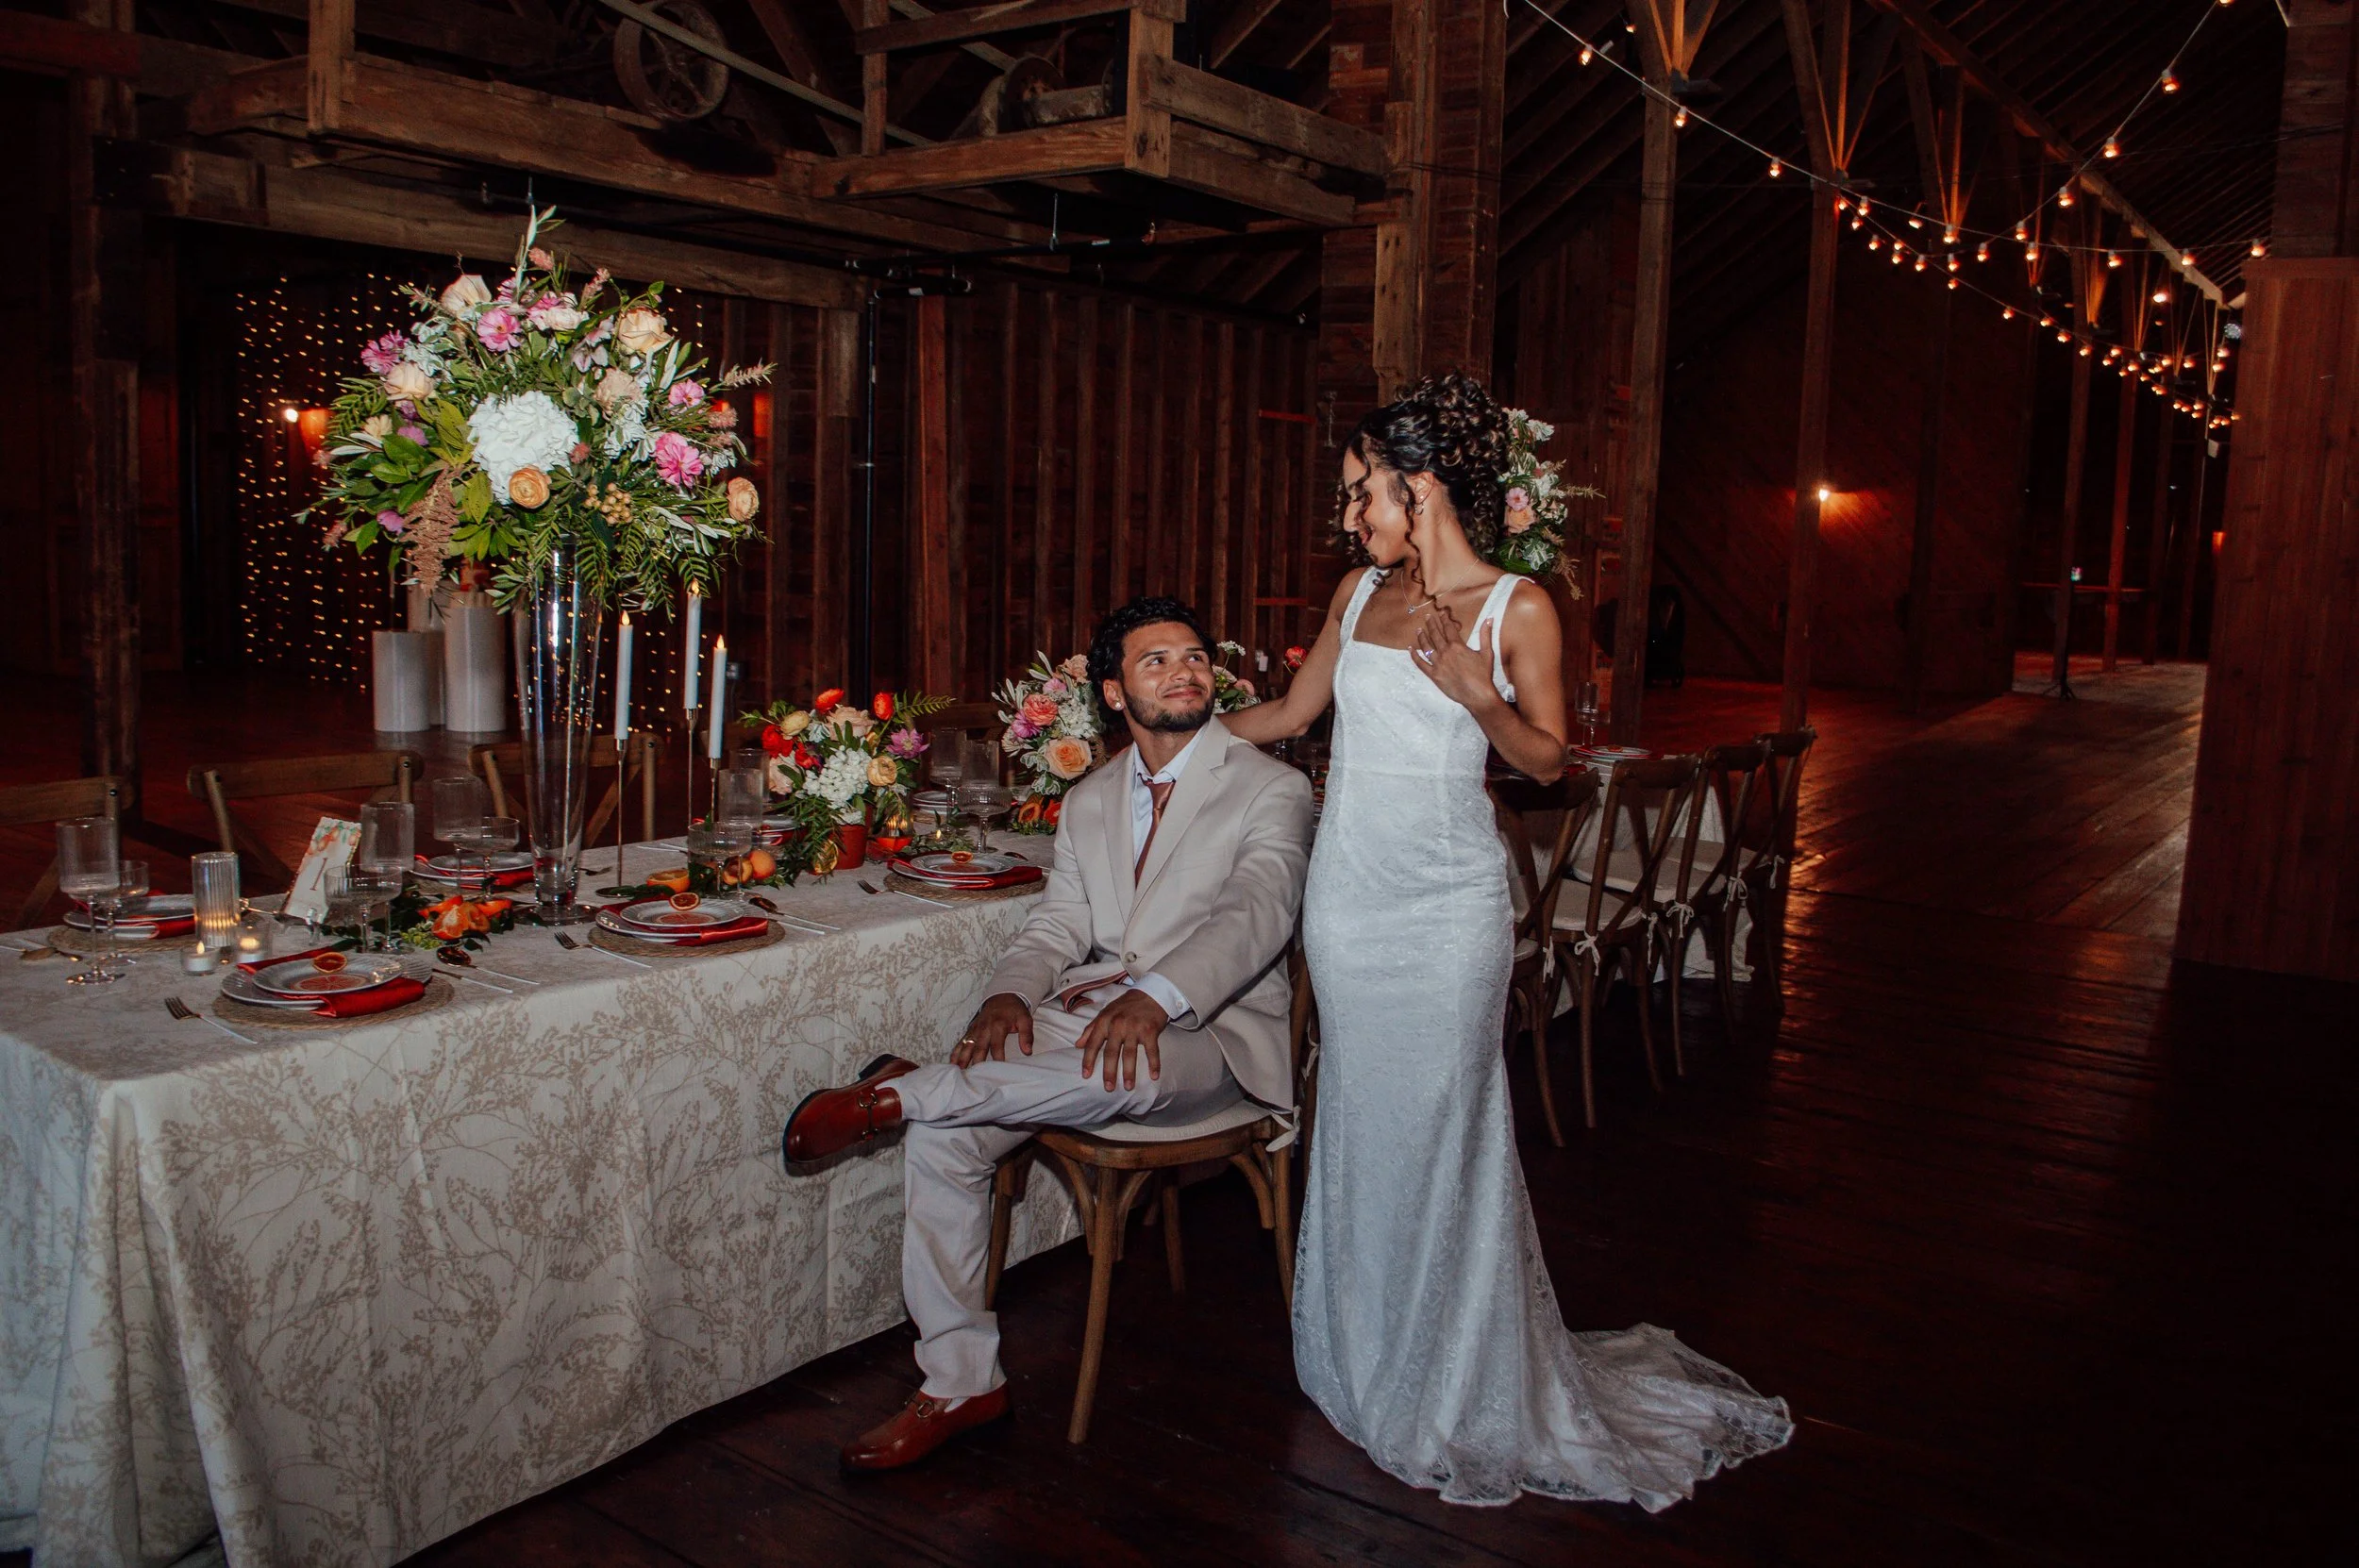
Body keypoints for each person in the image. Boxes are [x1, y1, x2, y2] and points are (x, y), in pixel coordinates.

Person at [1224, 373, 1793, 1509]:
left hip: (1445, 908)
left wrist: (1476, 695)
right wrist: (1165, 741)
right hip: (1349, 897)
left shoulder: (1516, 606)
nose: (1350, 519)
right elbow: (1290, 719)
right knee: (1364, 1120)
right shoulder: (1353, 594)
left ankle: (1453, 1373)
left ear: (1418, 485)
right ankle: (1363, 1350)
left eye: (1361, 494)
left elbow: (1548, 764)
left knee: (1446, 1124)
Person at [781, 595, 1313, 1474]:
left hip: (1210, 1037)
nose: (1185, 671)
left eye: (1194, 657)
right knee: (946, 1144)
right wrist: (1009, 996)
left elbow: (1258, 914)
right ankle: (960, 1382)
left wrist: (1158, 996)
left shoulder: (1270, 786)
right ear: (1114, 693)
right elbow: (1055, 930)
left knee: (1121, 1070)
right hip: (1081, 1017)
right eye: (1156, 661)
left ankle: (899, 1093)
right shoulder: (1092, 798)